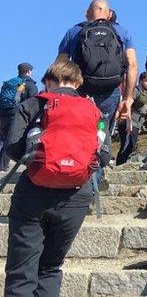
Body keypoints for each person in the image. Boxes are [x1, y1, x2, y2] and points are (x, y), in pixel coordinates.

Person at [3, 60, 110, 297]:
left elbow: (12, 148)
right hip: (76, 195)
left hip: (33, 192)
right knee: (50, 268)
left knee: (21, 271)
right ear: (78, 83)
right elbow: (103, 157)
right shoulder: (94, 111)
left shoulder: (34, 104)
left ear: (49, 81)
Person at [56, 0, 137, 184]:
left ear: (86, 13)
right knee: (102, 133)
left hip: (81, 92)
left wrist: (59, 95)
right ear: (109, 14)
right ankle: (94, 182)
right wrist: (128, 98)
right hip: (110, 92)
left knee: (77, 133)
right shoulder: (120, 32)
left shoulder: (74, 32)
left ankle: (72, 176)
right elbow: (132, 65)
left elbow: (60, 66)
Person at [0, 63, 38, 171]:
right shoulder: (30, 85)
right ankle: (2, 168)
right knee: (10, 142)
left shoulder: (10, 82)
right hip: (16, 116)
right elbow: (34, 103)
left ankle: (2, 165)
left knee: (6, 140)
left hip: (3, 115)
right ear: (28, 71)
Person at [117, 71, 147, 165]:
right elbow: (128, 105)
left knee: (131, 146)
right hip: (129, 121)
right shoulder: (136, 90)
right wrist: (128, 121)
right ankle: (119, 164)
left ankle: (122, 163)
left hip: (137, 123)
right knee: (127, 145)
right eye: (146, 81)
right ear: (141, 80)